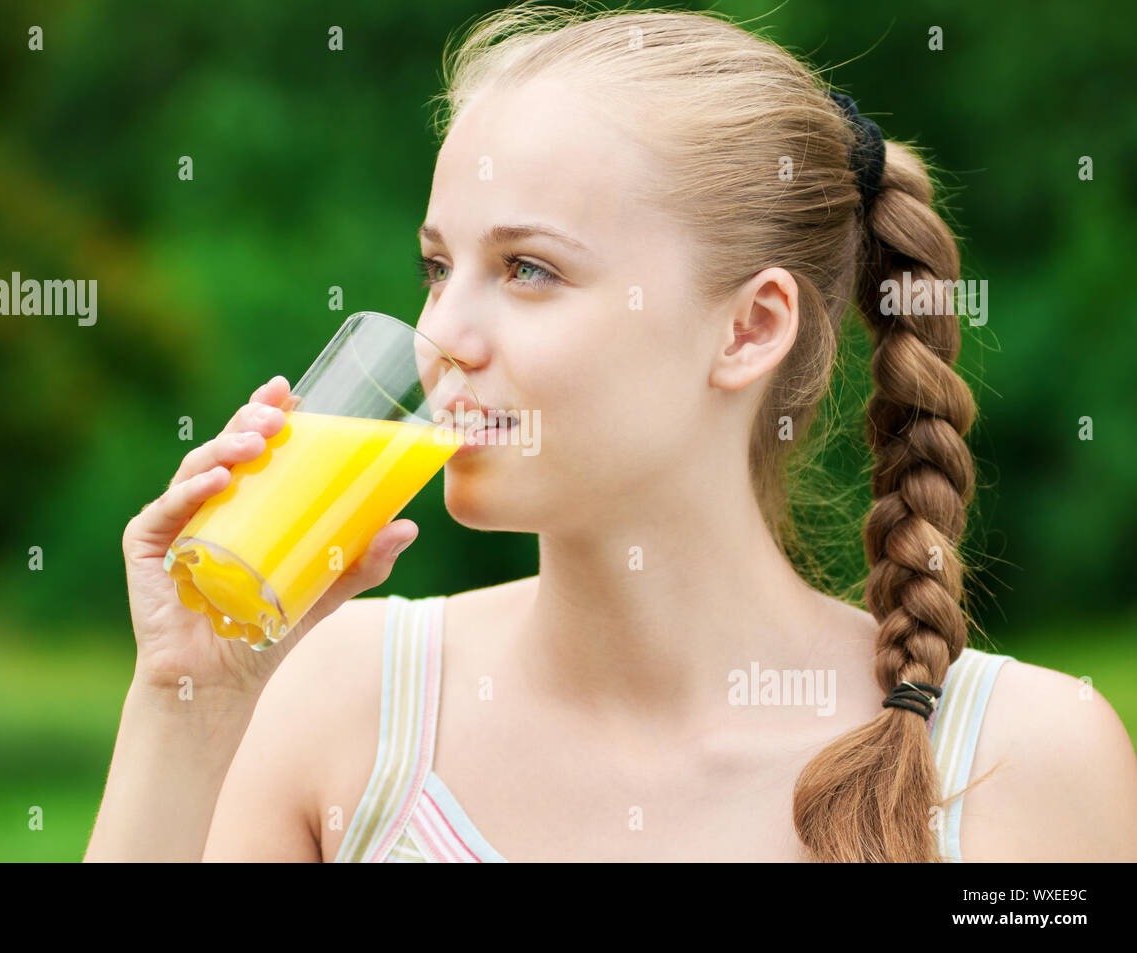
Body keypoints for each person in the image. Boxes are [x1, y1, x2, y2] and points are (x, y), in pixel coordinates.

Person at [86, 3, 1137, 862]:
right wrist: (189, 702)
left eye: (527, 269)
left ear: (748, 327)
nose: (440, 335)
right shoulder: (348, 706)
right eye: (437, 268)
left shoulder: (1020, 762)